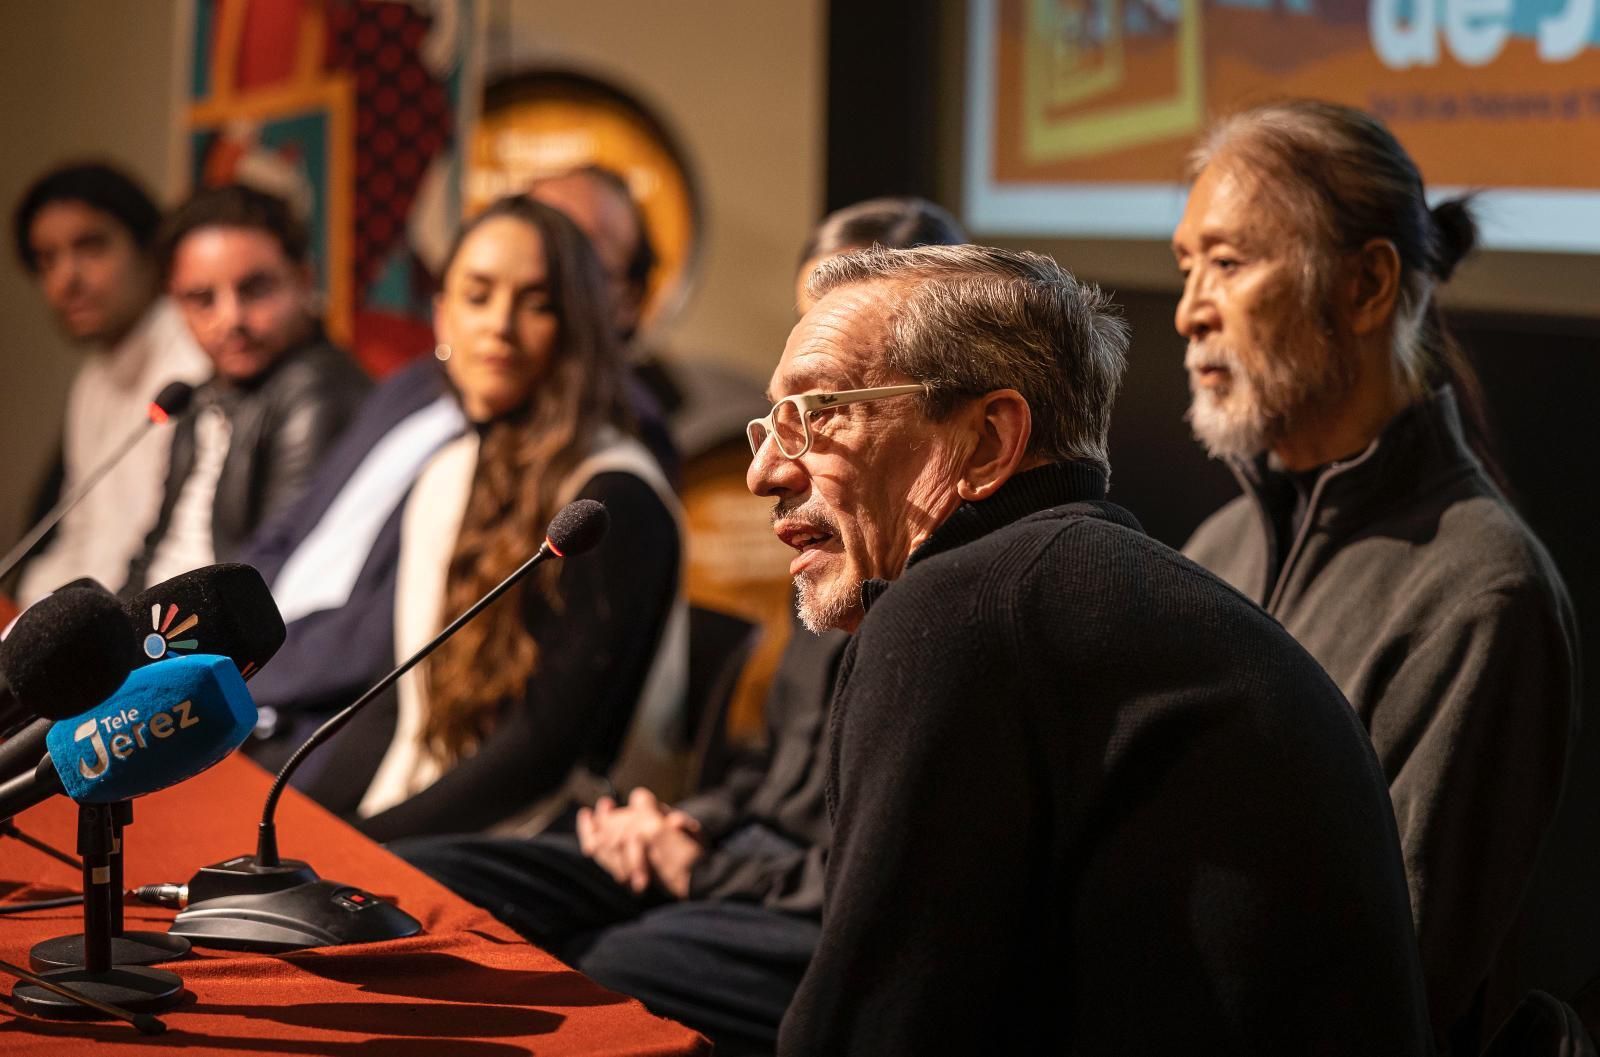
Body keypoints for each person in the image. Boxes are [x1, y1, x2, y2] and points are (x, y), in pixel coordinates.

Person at [752, 243, 1432, 1054]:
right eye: (773, 420)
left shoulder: (964, 610)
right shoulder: (1106, 598)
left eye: (820, 411)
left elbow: (865, 1034)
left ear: (989, 439)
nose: (764, 470)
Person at [391, 195, 970, 1057]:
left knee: (593, 972)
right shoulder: (841, 532)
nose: (774, 463)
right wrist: (680, 823)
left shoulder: (959, 591)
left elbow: (880, 876)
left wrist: (702, 865)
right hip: (734, 858)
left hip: (801, 906)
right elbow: (775, 777)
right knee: (430, 884)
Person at [1172, 99, 1579, 1053]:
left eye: (1227, 263)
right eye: (1188, 263)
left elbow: (1389, 989)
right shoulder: (1214, 547)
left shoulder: (1483, 593)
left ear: (1365, 288)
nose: (1189, 307)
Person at [238, 196, 683, 841]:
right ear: (443, 318)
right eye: (478, 297)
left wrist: (366, 847)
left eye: (537, 303)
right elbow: (401, 706)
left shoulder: (612, 498)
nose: (499, 325)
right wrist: (300, 832)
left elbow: (539, 757)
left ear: (580, 324)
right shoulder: (448, 473)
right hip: (430, 807)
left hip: (562, 833)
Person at [124, 184, 369, 592]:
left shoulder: (319, 391)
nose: (230, 318)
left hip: (210, 646)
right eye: (202, 299)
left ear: (304, 280)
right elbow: (156, 548)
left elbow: (269, 582)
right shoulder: (202, 394)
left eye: (255, 289)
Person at [9, 163, 209, 602]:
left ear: (148, 251)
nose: (67, 279)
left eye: (91, 246)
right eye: (47, 260)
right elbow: (81, 538)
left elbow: (187, 553)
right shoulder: (92, 379)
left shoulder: (195, 358)